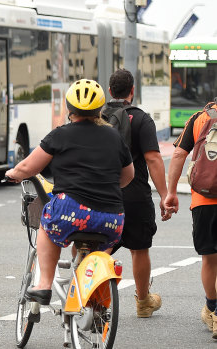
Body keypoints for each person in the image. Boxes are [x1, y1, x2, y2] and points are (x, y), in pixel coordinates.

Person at [5, 79, 134, 305]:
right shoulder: (114, 137)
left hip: (72, 212)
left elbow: (28, 167)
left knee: (47, 223)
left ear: (69, 108)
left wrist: (13, 173)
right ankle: (89, 289)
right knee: (93, 245)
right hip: (112, 218)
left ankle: (44, 285)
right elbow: (128, 176)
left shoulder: (60, 135)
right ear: (100, 109)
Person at [105, 69, 171, 318]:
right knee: (139, 249)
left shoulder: (97, 118)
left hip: (103, 194)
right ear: (132, 91)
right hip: (134, 195)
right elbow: (153, 158)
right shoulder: (141, 119)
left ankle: (91, 297)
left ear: (110, 91)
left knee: (100, 246)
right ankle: (143, 302)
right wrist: (165, 195)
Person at [165, 102, 217, 339]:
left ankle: (213, 309)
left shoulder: (199, 117)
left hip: (203, 200)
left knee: (209, 259)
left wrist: (171, 192)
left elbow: (178, 154)